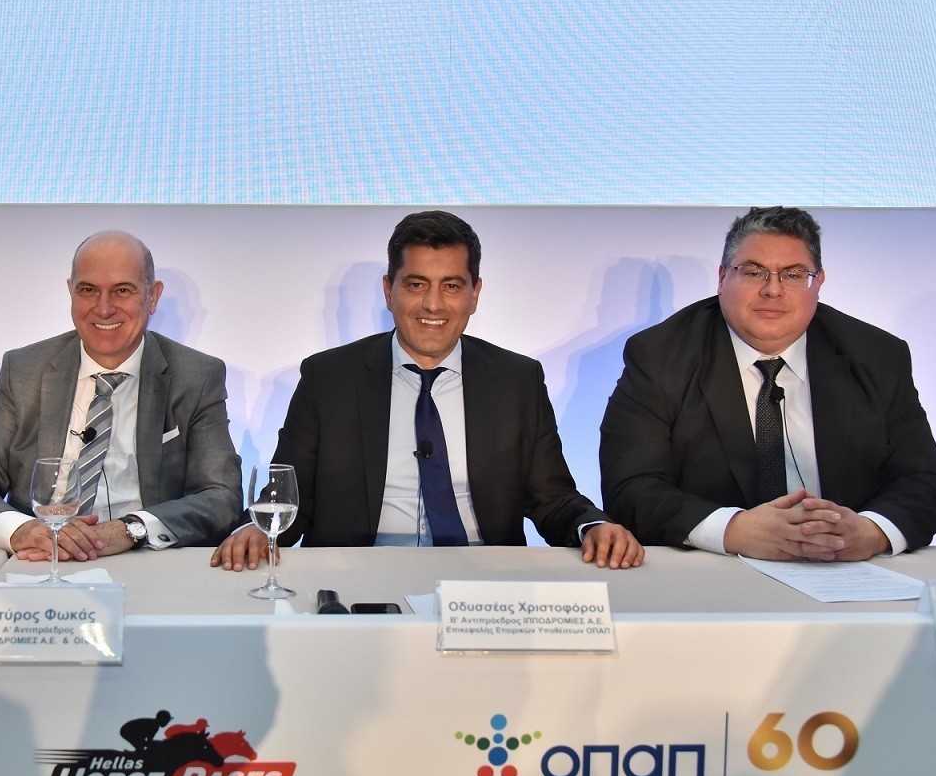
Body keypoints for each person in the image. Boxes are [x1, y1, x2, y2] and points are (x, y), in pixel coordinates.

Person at [212, 210, 642, 571]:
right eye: (416, 285)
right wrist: (255, 529)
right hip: (356, 577)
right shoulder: (328, 379)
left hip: (484, 582)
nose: (433, 304)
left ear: (475, 294)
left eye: (451, 286)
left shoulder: (517, 381)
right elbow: (288, 497)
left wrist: (593, 526)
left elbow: (553, 498)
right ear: (389, 290)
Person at [600, 206, 936, 561]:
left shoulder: (877, 356)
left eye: (794, 275)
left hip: (841, 569)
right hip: (714, 569)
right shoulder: (660, 356)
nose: (773, 290)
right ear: (722, 278)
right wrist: (733, 531)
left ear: (818, 283)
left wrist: (872, 532)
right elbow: (631, 488)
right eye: (753, 272)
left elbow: (924, 483)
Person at [0, 230, 241, 561]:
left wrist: (131, 530)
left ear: (153, 296)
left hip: (146, 559)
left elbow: (220, 496)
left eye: (122, 290)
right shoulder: (25, 369)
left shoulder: (195, 376)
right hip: (41, 559)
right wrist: (20, 530)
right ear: (70, 291)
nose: (104, 308)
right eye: (88, 290)